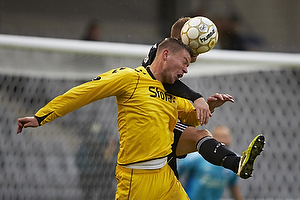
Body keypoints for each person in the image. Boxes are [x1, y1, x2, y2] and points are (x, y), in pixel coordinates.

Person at [17, 38, 214, 199]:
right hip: (137, 179)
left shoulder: (170, 92)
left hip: (166, 176)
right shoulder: (130, 78)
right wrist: (41, 116)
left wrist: (209, 105)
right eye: (185, 62)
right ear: (165, 55)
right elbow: (84, 92)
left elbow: (191, 117)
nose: (186, 69)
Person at [142, 17, 265, 179]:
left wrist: (209, 106)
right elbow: (162, 84)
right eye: (195, 48)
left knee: (171, 178)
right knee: (199, 135)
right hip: (149, 126)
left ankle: (237, 164)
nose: (197, 55)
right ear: (180, 40)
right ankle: (236, 163)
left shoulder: (166, 58)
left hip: (157, 125)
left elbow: (183, 113)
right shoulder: (161, 54)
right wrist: (197, 97)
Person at [178, 125, 244, 200]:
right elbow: (176, 173)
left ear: (231, 139)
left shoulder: (235, 162)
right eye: (219, 137)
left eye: (225, 137)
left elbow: (233, 185)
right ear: (212, 139)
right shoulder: (195, 158)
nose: (223, 140)